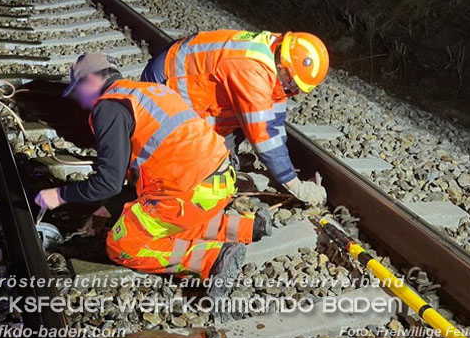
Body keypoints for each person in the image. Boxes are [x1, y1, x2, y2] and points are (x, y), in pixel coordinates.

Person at [34, 52, 272, 293]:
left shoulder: (107, 107)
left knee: (122, 244)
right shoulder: (147, 92)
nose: (80, 100)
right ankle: (247, 227)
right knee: (169, 221)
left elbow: (108, 183)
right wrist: (106, 208)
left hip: (189, 192)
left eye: (79, 91)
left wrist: (60, 195)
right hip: (219, 182)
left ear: (91, 81)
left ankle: (211, 260)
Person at [141, 30, 329, 206]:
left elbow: (274, 122)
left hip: (187, 76)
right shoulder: (252, 72)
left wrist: (285, 172)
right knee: (205, 175)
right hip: (165, 85)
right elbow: (264, 137)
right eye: (294, 84)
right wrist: (296, 186)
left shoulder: (276, 56)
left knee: (225, 154)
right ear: (283, 68)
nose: (294, 90)